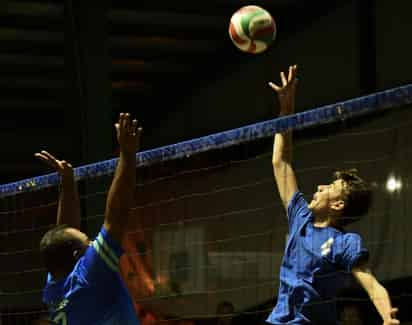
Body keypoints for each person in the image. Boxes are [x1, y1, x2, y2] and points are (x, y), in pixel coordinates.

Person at [266, 65, 399, 325]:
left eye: (329, 187)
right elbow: (280, 162)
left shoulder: (345, 243)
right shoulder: (300, 217)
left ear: (338, 204)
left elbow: (371, 284)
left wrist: (387, 316)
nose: (319, 188)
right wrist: (286, 109)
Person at [37, 113, 142, 324]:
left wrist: (67, 185)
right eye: (88, 242)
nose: (93, 242)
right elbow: (116, 216)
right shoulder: (90, 276)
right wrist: (128, 155)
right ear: (78, 256)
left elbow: (63, 233)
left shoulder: (55, 285)